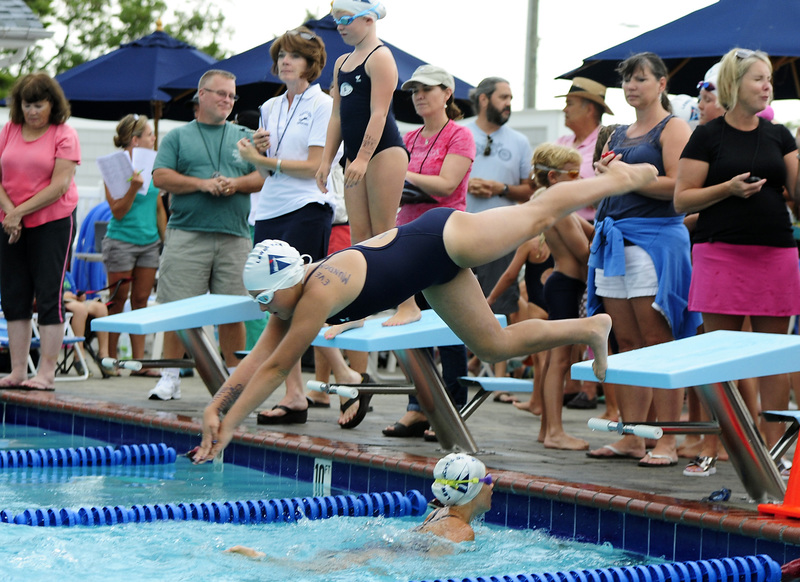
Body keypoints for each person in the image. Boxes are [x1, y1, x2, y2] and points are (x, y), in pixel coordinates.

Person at [189, 159, 659, 465]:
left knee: (537, 214)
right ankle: (591, 327)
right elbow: (255, 359)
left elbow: (275, 367)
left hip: (445, 239)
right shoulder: (289, 298)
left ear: (285, 285)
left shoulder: (316, 292)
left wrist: (229, 426)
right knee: (492, 344)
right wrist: (215, 407)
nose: (267, 310)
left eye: (266, 301)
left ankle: (616, 181)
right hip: (431, 274)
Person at [675, 48, 800, 477]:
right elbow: (681, 199)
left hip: (776, 254)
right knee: (719, 357)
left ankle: (775, 451)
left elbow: (798, 196)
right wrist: (726, 188)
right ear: (734, 84)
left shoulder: (781, 135)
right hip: (720, 253)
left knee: (774, 359)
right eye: (758, 79)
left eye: (769, 79)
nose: (768, 86)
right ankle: (713, 447)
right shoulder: (707, 136)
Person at [585, 52, 700, 467]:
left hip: (655, 243)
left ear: (662, 83)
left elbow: (678, 189)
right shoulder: (615, 133)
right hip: (615, 242)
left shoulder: (674, 127)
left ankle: (666, 440)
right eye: (627, 80)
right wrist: (607, 178)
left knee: (659, 342)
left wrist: (626, 178)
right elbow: (608, 188)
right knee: (626, 343)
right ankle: (633, 436)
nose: (632, 86)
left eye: (640, 79)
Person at [236, 27, 335, 425]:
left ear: (311, 64)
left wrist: (263, 161)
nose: (284, 61)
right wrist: (258, 152)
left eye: (293, 55)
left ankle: (344, 378)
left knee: (304, 302)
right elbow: (268, 166)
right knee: (276, 304)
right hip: (271, 209)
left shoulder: (324, 104)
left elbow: (314, 165)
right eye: (281, 55)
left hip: (308, 207)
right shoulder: (270, 107)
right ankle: (294, 394)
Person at [149, 69, 264, 401]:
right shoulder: (177, 136)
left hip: (234, 235)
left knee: (234, 311)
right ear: (201, 95)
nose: (227, 100)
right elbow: (160, 177)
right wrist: (202, 184)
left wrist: (233, 184)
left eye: (232, 95)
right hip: (187, 233)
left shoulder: (245, 135)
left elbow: (263, 176)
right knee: (177, 309)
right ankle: (169, 377)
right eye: (221, 94)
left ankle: (232, 383)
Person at [380, 64, 475, 439]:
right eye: (414, 90)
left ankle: (452, 407)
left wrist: (399, 172)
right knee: (411, 324)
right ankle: (418, 407)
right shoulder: (411, 135)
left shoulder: (460, 135)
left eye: (427, 89)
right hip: (409, 234)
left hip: (447, 236)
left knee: (450, 325)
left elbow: (447, 185)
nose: (418, 95)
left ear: (447, 93)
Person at [226, 453, 493, 560]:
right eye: (488, 479)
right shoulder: (462, 531)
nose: (493, 485)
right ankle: (265, 559)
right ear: (472, 488)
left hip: (387, 546)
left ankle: (268, 559)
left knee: (327, 561)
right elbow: (437, 565)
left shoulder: (440, 512)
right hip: (392, 556)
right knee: (316, 570)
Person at [0, 73, 80, 391]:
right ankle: (18, 370)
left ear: (52, 105)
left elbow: (60, 184)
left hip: (51, 222)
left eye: (39, 104)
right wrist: (10, 215)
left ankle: (46, 373)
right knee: (14, 296)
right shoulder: (9, 131)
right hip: (10, 224)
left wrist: (18, 212)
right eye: (27, 104)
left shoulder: (64, 134)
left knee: (48, 296)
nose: (33, 111)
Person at [315, 0, 407, 246]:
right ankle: (368, 285)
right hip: (354, 155)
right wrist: (327, 161)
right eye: (336, 21)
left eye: (345, 20)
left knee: (382, 233)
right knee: (359, 236)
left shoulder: (381, 57)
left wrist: (364, 157)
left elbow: (379, 112)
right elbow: (337, 116)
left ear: (369, 19)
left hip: (383, 151)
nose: (339, 27)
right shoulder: (341, 63)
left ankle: (390, 285)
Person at [465, 77, 534, 389]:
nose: (509, 104)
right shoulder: (460, 131)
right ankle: (461, 366)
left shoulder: (518, 141)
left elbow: (530, 190)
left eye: (511, 98)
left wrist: (500, 188)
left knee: (501, 305)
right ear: (483, 99)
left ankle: (501, 377)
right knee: (459, 302)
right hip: (459, 231)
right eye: (503, 97)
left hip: (501, 233)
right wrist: (463, 185)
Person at [526, 144, 594, 451]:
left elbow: (591, 230)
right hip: (565, 285)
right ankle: (554, 431)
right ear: (553, 177)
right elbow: (585, 253)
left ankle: (545, 429)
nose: (580, 180)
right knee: (559, 360)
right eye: (574, 174)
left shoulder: (552, 205)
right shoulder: (560, 211)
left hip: (560, 284)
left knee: (556, 359)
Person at [101, 114, 166, 372]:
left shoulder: (154, 165)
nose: (154, 138)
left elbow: (159, 206)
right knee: (118, 300)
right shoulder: (115, 168)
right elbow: (117, 211)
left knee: (141, 300)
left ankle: (141, 362)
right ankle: (112, 359)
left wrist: (165, 240)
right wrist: (131, 188)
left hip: (149, 243)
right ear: (136, 140)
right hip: (121, 241)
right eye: (150, 134)